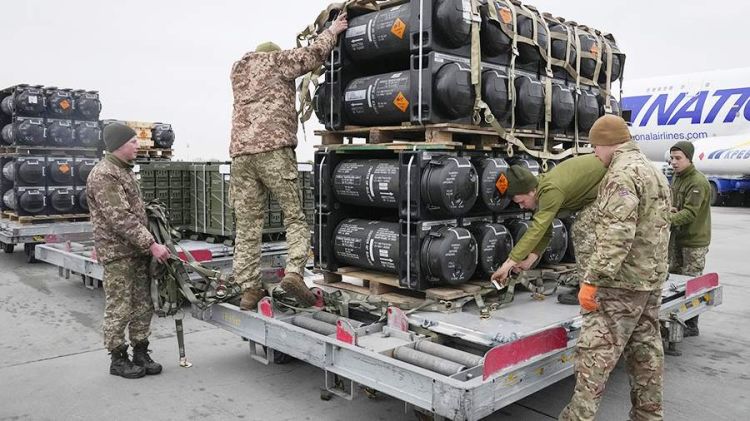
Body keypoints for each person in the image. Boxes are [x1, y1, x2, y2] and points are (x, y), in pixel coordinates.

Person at [228, 13, 349, 310]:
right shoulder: (276, 62)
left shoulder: (238, 71)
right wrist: (332, 30)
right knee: (294, 216)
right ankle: (294, 273)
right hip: (274, 151)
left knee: (247, 226)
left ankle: (249, 289)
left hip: (241, 156)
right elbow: (311, 56)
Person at [558, 115, 672, 421]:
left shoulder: (621, 174)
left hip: (620, 284)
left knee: (594, 355)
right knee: (646, 352)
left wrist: (593, 279)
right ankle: (648, 416)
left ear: (607, 143)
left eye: (595, 147)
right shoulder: (654, 170)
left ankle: (577, 418)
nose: (595, 154)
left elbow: (617, 233)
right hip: (650, 279)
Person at [87, 123, 170, 379]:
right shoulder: (104, 175)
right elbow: (120, 218)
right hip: (119, 252)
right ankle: (118, 357)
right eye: (133, 142)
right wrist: (151, 244)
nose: (138, 146)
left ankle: (141, 351)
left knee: (143, 304)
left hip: (135, 251)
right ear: (119, 145)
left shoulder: (124, 171)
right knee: (120, 306)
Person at [490, 155, 606, 305]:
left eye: (521, 201)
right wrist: (529, 261)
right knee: (582, 227)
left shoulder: (550, 190)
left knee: (582, 230)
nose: (521, 206)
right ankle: (590, 285)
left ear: (531, 191)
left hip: (613, 182)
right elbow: (545, 230)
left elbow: (537, 229)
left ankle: (591, 290)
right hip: (599, 190)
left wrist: (508, 264)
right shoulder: (541, 190)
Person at [668, 141, 711, 338]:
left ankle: (692, 324)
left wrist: (665, 219)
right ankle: (676, 319)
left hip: (694, 242)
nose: (674, 162)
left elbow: (690, 213)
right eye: (672, 158)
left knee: (691, 284)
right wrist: (671, 210)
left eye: (678, 158)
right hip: (678, 238)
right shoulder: (677, 178)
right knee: (675, 281)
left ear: (689, 158)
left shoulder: (697, 181)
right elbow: (677, 206)